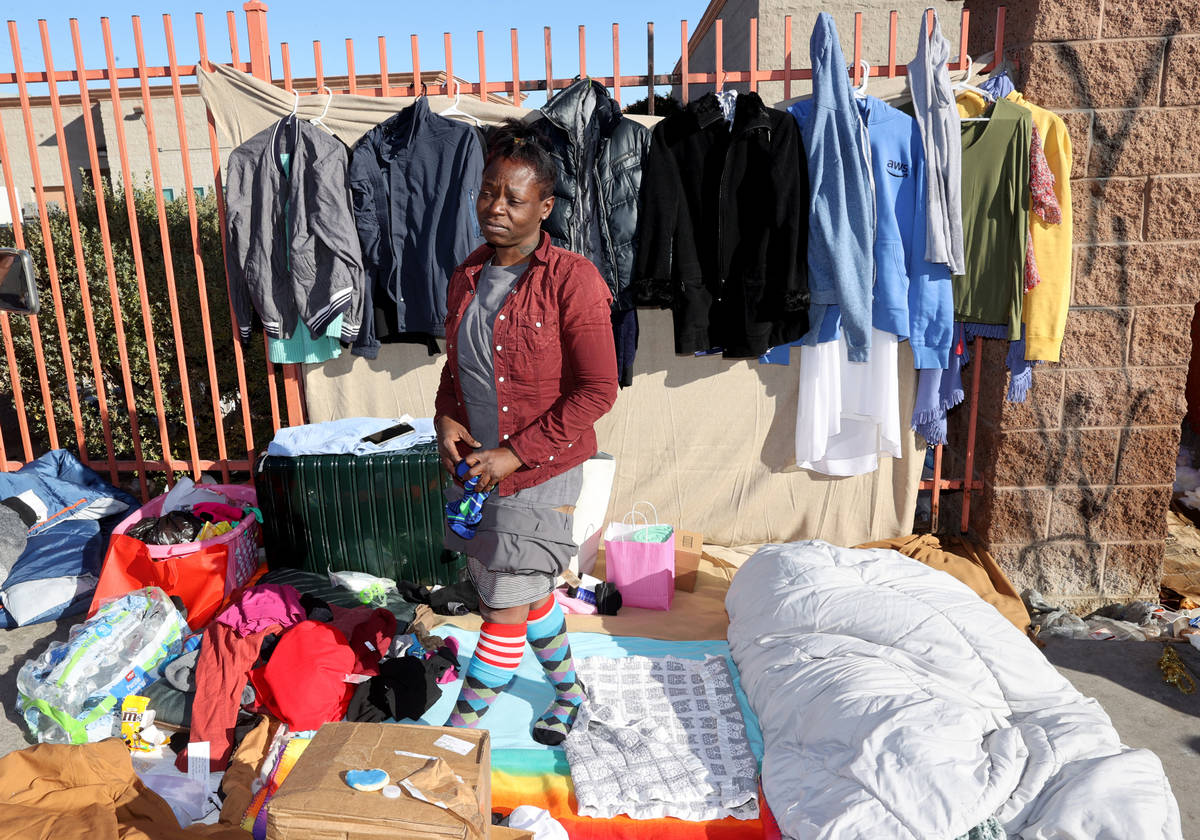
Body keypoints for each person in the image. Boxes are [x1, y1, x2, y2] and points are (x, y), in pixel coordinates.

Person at [433, 121, 619, 745]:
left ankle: (457, 741)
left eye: (514, 198)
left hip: (541, 468)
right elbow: (455, 372)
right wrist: (447, 423)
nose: (496, 208)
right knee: (527, 590)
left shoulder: (573, 279)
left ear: (545, 206)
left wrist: (515, 454)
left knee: (504, 605)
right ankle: (570, 691)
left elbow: (598, 390)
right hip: (480, 471)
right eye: (489, 193)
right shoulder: (465, 278)